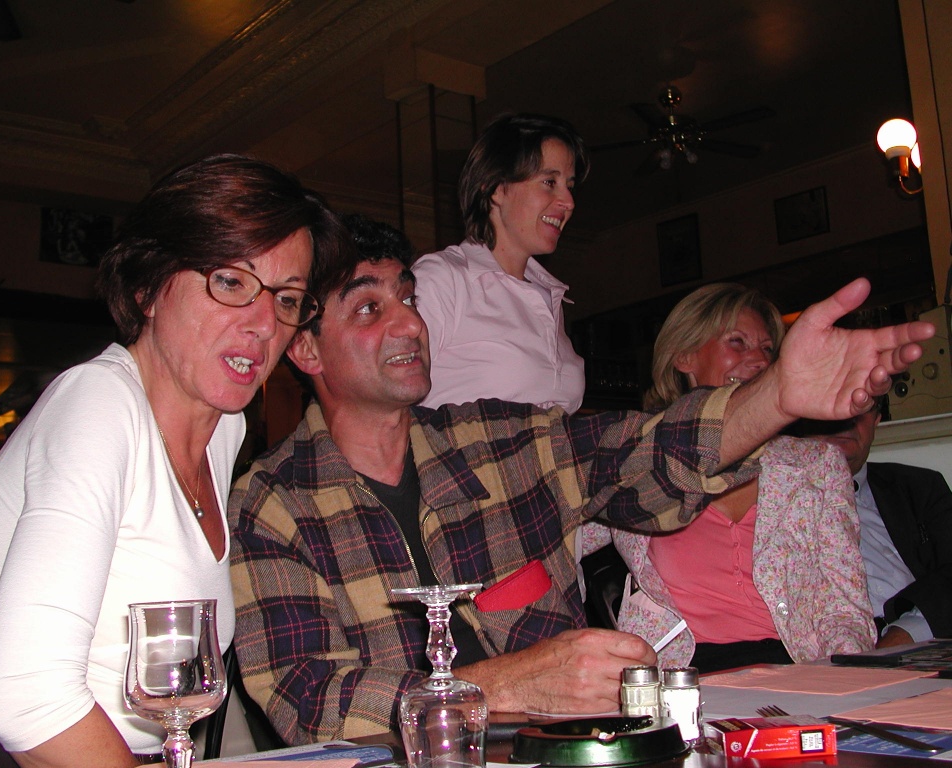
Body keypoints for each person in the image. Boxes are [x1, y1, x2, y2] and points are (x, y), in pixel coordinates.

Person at [228, 216, 931, 745]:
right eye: (370, 307)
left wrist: (776, 396)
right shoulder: (273, 503)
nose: (410, 322)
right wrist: (505, 684)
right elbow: (306, 695)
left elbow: (645, 453)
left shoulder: (500, 442)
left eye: (408, 298)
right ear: (307, 348)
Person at [0, 155, 346, 767]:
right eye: (231, 282)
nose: (264, 324)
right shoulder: (98, 402)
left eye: (287, 298)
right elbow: (27, 696)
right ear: (147, 288)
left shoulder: (224, 427)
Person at [594, 284, 876, 673]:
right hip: (682, 677)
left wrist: (844, 675)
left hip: (796, 668)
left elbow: (843, 604)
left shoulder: (817, 465)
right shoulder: (637, 460)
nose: (758, 361)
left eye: (767, 349)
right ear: (684, 356)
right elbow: (549, 533)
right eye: (737, 342)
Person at [412, 113, 587, 413]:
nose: (569, 202)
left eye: (569, 185)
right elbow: (385, 397)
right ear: (495, 188)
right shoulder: (443, 278)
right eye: (549, 181)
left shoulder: (550, 298)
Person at [798, 400, 952, 647]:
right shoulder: (766, 501)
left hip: (927, 642)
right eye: (834, 404)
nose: (846, 419)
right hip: (821, 655)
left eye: (860, 406)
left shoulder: (919, 487)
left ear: (876, 418)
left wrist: (908, 632)